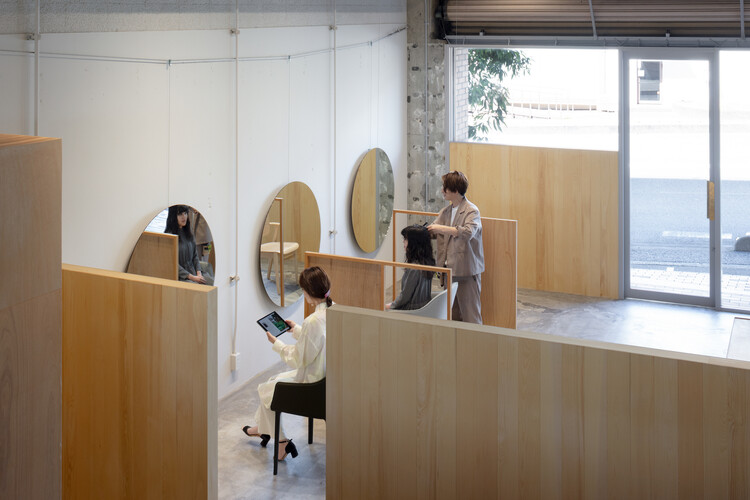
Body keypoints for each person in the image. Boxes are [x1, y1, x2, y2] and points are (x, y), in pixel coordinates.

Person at [242, 266, 331, 462]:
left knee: (268, 389)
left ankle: (280, 441)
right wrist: (297, 330)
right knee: (272, 383)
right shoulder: (333, 311)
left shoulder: (313, 321)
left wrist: (277, 344)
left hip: (312, 386)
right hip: (325, 378)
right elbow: (318, 342)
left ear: (307, 292)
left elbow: (299, 359)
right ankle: (263, 430)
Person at [428, 171, 485, 324]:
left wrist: (442, 229)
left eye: (445, 188)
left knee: (471, 315)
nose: (442, 191)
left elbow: (468, 232)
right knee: (452, 316)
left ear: (455, 190)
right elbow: (434, 230)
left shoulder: (472, 210)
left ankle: (474, 346)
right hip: (448, 271)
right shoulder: (445, 211)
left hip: (466, 271)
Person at [386, 224, 435, 310]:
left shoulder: (414, 268)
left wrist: (390, 305)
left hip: (412, 310)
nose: (403, 242)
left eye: (405, 239)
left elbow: (405, 296)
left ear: (413, 243)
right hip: (424, 306)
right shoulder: (428, 262)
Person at [164, 204, 206, 284]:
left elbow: (195, 256)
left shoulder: (188, 232)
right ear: (173, 216)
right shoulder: (169, 236)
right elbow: (172, 264)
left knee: (210, 280)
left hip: (193, 273)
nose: (184, 217)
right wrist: (192, 277)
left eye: (185, 213)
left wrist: (199, 273)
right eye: (180, 214)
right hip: (181, 277)